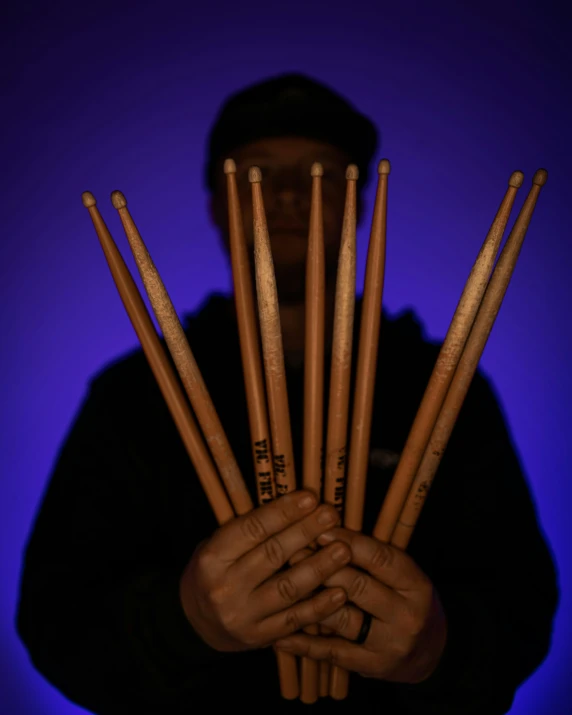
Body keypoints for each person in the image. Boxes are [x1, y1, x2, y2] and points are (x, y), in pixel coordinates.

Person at [16, 73, 558, 714]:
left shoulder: (444, 386)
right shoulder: (134, 396)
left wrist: (441, 646)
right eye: (256, 173)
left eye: (322, 173)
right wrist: (181, 619)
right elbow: (55, 621)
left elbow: (521, 606)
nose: (288, 195)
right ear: (218, 202)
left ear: (357, 205)